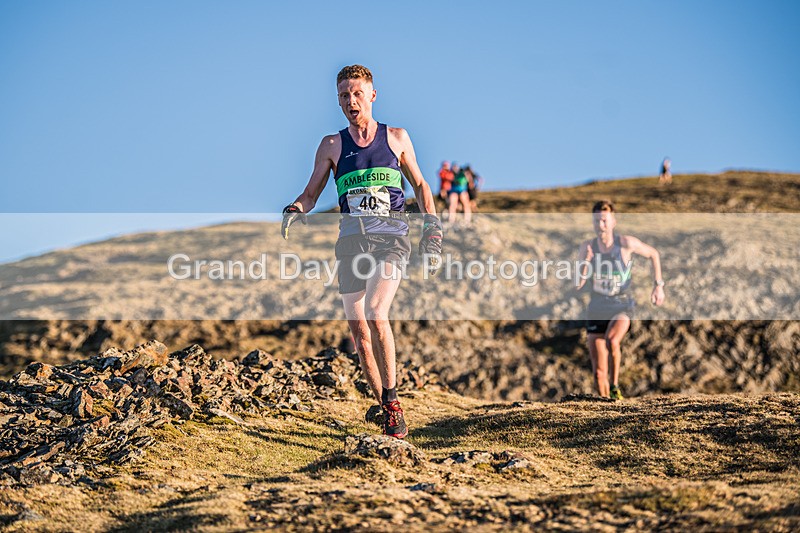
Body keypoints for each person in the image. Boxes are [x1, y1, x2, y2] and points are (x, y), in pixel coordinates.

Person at [281, 65, 442, 438]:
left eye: (357, 93)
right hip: (351, 243)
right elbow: (311, 193)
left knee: (375, 312)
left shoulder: (397, 137)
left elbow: (421, 185)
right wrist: (295, 208)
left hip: (391, 239)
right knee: (358, 332)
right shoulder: (331, 145)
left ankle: (394, 400)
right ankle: (386, 407)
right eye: (344, 95)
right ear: (338, 100)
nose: (351, 101)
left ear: (372, 95)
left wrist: (432, 230)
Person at [576, 200, 665, 400]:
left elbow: (653, 254)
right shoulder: (588, 247)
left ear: (613, 222)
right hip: (597, 308)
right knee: (598, 372)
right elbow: (578, 284)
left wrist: (658, 285)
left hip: (621, 305)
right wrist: (586, 262)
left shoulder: (625, 244)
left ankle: (615, 386)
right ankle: (607, 406)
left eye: (604, 221)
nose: (601, 225)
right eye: (597, 221)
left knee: (612, 340)